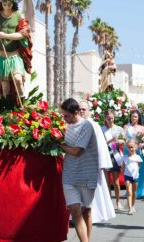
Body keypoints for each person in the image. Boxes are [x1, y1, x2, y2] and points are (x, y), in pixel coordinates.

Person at [59, 98, 99, 242]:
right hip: (69, 175)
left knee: (86, 211)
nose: (64, 118)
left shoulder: (86, 126)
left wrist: (59, 143)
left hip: (86, 174)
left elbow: (76, 151)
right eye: (63, 115)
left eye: (67, 116)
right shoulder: (65, 126)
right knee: (75, 211)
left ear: (76, 112)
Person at [78, 102, 116, 223]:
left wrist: (101, 165)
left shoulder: (94, 126)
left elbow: (101, 146)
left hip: (91, 165)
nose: (81, 111)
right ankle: (79, 216)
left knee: (93, 194)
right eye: (79, 109)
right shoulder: (73, 125)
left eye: (84, 109)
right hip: (78, 165)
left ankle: (92, 216)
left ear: (89, 111)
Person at [100, 110, 124, 210]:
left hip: (115, 156)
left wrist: (119, 142)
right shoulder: (102, 129)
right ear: (105, 118)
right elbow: (100, 143)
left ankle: (118, 201)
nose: (110, 120)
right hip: (105, 156)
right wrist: (111, 140)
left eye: (112, 118)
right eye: (108, 118)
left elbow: (123, 141)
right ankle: (109, 203)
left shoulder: (118, 128)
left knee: (116, 182)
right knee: (107, 182)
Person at [124, 110, 144, 198]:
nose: (133, 118)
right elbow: (122, 138)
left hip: (138, 151)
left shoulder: (141, 128)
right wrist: (126, 142)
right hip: (128, 151)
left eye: (135, 116)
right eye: (132, 116)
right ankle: (129, 190)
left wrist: (141, 144)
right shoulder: (126, 127)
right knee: (128, 170)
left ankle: (139, 191)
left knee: (139, 170)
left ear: (138, 118)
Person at [121, 140, 143, 215]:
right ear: (127, 148)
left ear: (135, 147)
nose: (131, 149)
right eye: (129, 147)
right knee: (129, 192)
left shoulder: (138, 157)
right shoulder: (125, 157)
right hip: (127, 176)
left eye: (132, 147)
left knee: (134, 192)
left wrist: (136, 172)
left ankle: (133, 206)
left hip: (135, 176)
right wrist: (123, 174)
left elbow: (139, 166)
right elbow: (123, 167)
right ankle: (130, 208)